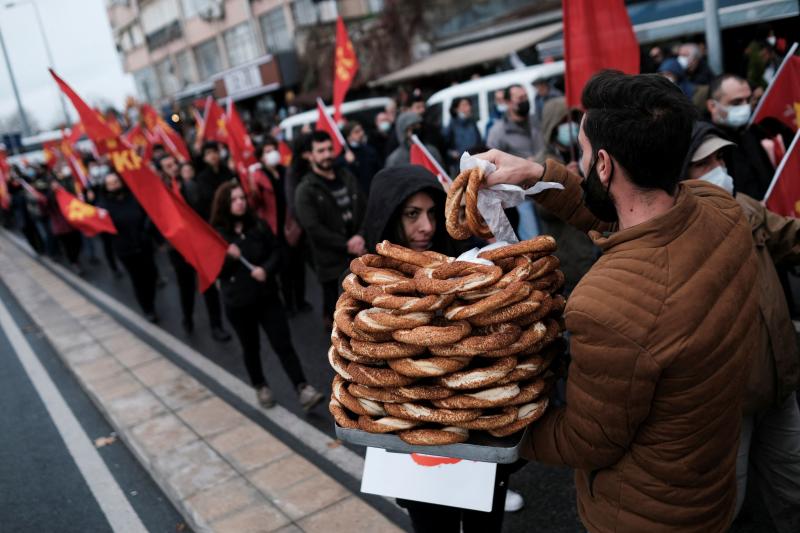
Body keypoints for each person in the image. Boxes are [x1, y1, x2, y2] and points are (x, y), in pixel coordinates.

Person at [478, 70, 760, 532]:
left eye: (583, 156)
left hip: (642, 515)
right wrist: (539, 174)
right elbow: (628, 217)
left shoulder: (604, 305)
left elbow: (587, 441)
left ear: (604, 165)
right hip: (708, 487)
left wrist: (483, 416)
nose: (580, 163)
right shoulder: (721, 210)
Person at [682, 123, 800, 532]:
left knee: (793, 492)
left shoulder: (746, 206)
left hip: (779, 386)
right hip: (728, 404)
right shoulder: (675, 233)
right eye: (704, 164)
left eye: (719, 158)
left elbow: (791, 236)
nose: (719, 168)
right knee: (726, 509)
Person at [210, 181, 324, 411]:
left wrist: (267, 269)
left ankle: (302, 387)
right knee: (250, 347)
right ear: (224, 205)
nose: (240, 203)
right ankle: (260, 385)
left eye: (242, 198)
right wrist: (229, 258)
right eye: (234, 200)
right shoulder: (218, 236)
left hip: (267, 297)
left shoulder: (258, 225)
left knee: (282, 343)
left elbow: (277, 252)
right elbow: (214, 271)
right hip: (239, 303)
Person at [294, 131, 367, 328]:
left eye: (329, 149)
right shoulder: (306, 189)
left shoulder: (346, 175)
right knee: (342, 314)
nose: (327, 154)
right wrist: (346, 245)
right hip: (331, 264)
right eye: (320, 151)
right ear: (311, 155)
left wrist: (360, 236)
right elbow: (313, 227)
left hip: (360, 255)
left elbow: (364, 206)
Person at [157, 155, 230, 340]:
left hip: (198, 244)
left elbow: (203, 210)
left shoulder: (190, 186)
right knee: (186, 286)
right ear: (162, 170)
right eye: (168, 165)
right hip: (179, 248)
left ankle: (216, 326)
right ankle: (187, 318)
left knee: (209, 284)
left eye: (174, 164)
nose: (173, 167)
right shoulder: (162, 193)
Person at [533, 97, 596, 296]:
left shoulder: (585, 152)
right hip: (569, 251)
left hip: (595, 245)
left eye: (572, 120)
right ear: (552, 126)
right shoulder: (543, 163)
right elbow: (542, 210)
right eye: (562, 123)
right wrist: (564, 182)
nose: (569, 127)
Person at [706, 74, 792, 199]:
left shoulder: (752, 131)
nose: (745, 107)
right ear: (712, 106)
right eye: (736, 102)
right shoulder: (707, 145)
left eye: (748, 100)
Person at [98, 172, 159, 323]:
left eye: (116, 182)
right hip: (125, 249)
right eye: (110, 184)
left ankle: (150, 299)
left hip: (143, 244)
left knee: (150, 275)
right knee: (138, 279)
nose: (114, 185)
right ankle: (148, 308)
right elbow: (103, 230)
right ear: (106, 188)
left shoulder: (134, 197)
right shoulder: (103, 205)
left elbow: (147, 215)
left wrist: (146, 232)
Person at [487, 84, 544, 159]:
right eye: (520, 98)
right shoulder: (497, 132)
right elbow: (492, 161)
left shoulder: (537, 121)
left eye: (526, 97)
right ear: (508, 102)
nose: (525, 101)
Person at [194, 141, 235, 221]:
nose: (212, 155)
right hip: (217, 213)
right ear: (204, 158)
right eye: (208, 153)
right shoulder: (202, 177)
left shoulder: (226, 170)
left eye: (214, 152)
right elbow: (209, 197)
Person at [442, 98, 482, 173]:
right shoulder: (451, 126)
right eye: (464, 105)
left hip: (475, 163)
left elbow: (480, 143)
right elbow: (444, 148)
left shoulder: (473, 124)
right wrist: (452, 154)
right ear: (456, 109)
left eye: (469, 105)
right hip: (459, 166)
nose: (468, 108)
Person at [341, 121, 381, 194]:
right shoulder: (344, 155)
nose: (361, 133)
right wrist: (349, 163)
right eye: (356, 132)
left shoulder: (370, 150)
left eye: (361, 130)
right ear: (348, 136)